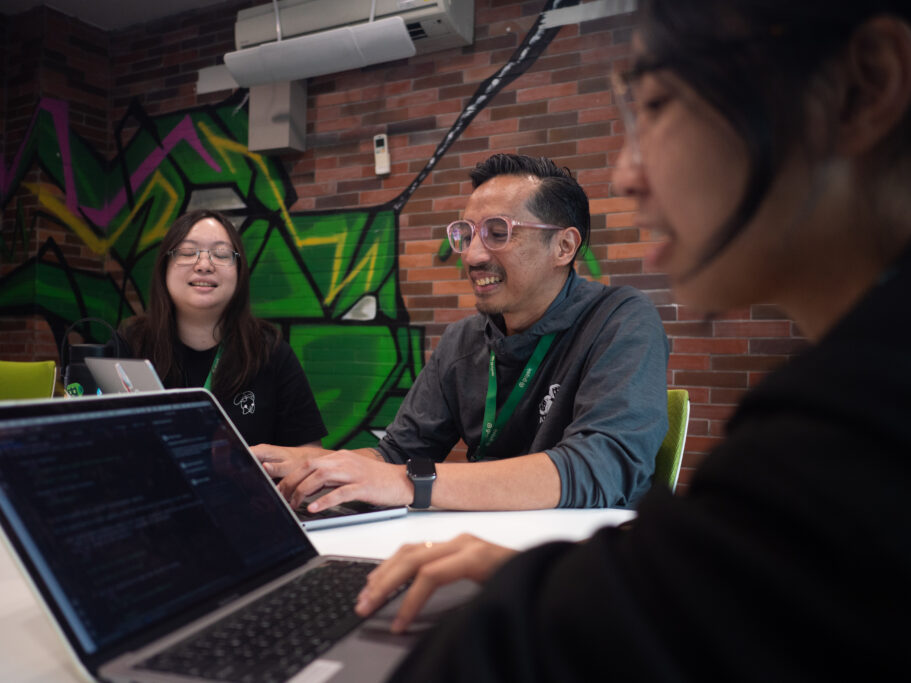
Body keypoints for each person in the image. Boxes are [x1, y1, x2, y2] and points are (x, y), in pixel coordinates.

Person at [351, 1, 911, 680]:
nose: (624, 174)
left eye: (657, 104)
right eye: (465, 235)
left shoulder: (851, 429)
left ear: (863, 85)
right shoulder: (853, 393)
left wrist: (558, 582)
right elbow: (723, 595)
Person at [253, 154, 669, 513]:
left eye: (498, 232)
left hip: (583, 563)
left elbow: (602, 468)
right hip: (480, 549)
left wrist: (408, 483)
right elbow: (397, 455)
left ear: (563, 247)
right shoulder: (464, 340)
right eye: (466, 234)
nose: (472, 255)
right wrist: (315, 467)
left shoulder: (620, 320)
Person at [115, 209, 327, 448]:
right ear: (165, 266)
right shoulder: (131, 343)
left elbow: (309, 456)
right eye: (187, 252)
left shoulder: (270, 351)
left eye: (221, 254)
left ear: (239, 271)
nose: (204, 265)